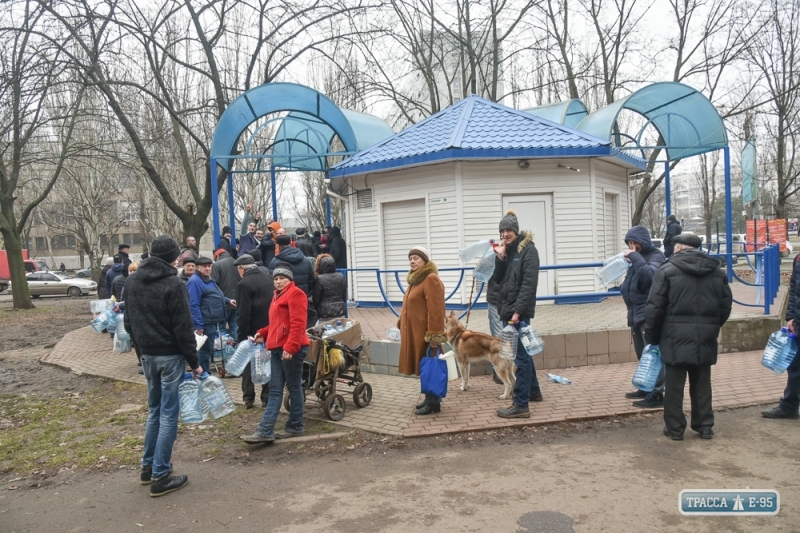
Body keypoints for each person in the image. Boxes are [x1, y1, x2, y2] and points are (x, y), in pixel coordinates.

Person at [123, 235, 201, 497]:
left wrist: (140, 348)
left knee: (154, 411)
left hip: (147, 355)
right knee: (168, 414)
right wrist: (195, 362)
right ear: (174, 257)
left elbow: (128, 321)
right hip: (169, 356)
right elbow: (183, 327)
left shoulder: (132, 281)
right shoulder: (173, 283)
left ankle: (148, 468)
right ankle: (160, 474)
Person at [645, 233, 732, 440]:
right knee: (702, 382)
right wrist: (712, 325)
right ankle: (704, 427)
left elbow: (655, 308)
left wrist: (653, 337)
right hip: (705, 335)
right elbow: (725, 305)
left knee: (674, 386)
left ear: (679, 248)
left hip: (674, 336)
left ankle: (675, 429)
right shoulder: (717, 272)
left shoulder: (666, 270)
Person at [241, 263, 310, 443]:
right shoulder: (276, 296)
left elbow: (298, 324)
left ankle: (295, 426)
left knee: (293, 387)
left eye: (282, 278)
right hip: (277, 348)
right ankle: (265, 431)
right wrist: (263, 333)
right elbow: (277, 324)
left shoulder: (296, 294)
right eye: (276, 279)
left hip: (291, 348)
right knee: (275, 389)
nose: (278, 282)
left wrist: (291, 347)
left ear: (290, 280)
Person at [492, 210, 543, 419]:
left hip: (517, 313)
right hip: (507, 309)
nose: (505, 234)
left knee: (520, 358)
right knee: (522, 354)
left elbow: (529, 286)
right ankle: (533, 392)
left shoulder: (529, 251)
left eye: (508, 230)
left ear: (516, 230)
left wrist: (517, 312)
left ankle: (521, 404)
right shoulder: (509, 251)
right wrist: (501, 258)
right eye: (502, 230)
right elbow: (497, 279)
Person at [620, 226, 667, 408]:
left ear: (643, 242)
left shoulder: (656, 256)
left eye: (634, 243)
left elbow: (649, 277)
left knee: (653, 354)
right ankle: (646, 387)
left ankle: (657, 393)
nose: (632, 247)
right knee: (643, 354)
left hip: (649, 313)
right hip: (635, 312)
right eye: (630, 243)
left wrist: (634, 257)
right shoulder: (636, 260)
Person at [397, 246, 447, 415]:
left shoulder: (430, 278)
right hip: (414, 332)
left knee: (430, 366)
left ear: (425, 260)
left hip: (425, 335)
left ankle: (434, 402)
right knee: (424, 366)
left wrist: (434, 335)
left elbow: (436, 309)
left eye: (416, 258)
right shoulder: (415, 280)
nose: (412, 261)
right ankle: (429, 398)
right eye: (410, 258)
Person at [762, 253, 800, 420]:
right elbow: (794, 290)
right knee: (795, 367)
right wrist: (791, 317)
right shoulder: (798, 258)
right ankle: (789, 406)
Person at [234, 254, 274, 409]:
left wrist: (241, 336)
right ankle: (267, 397)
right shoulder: (269, 278)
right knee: (265, 362)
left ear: (242, 268)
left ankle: (248, 397)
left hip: (251, 330)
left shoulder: (243, 284)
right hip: (268, 328)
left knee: (248, 364)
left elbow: (243, 313)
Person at [187, 256, 236, 375]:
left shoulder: (208, 279)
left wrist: (228, 300)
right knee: (205, 350)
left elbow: (215, 295)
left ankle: (205, 374)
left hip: (213, 319)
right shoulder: (195, 282)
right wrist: (199, 325)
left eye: (209, 266)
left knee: (208, 349)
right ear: (198, 268)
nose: (208, 268)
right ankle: (204, 375)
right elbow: (193, 304)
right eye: (205, 267)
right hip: (205, 321)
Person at [211, 247, 241, 341]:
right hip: (236, 300)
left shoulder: (217, 264)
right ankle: (237, 347)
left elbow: (214, 283)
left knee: (221, 329)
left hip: (223, 301)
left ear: (218, 256)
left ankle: (224, 351)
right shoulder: (236, 262)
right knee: (235, 327)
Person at [313, 254, 346, 321]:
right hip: (340, 309)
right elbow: (344, 295)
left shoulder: (320, 278)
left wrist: (318, 308)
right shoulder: (341, 276)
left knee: (325, 329)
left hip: (325, 311)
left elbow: (316, 298)